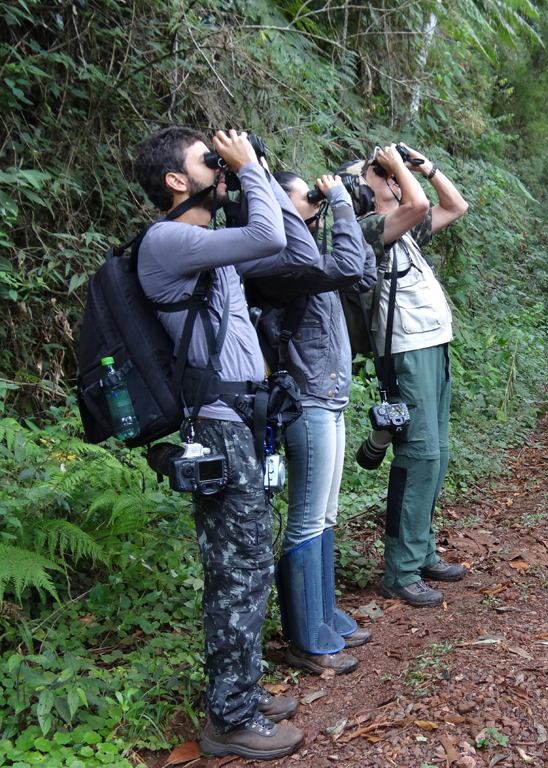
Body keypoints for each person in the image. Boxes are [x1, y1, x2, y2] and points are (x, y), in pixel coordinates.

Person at [134, 127, 317, 760]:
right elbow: (268, 234)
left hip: (240, 420)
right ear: (176, 182)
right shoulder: (168, 240)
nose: (223, 164)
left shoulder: (206, 245)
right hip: (215, 423)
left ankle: (241, 690)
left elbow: (294, 250)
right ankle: (229, 719)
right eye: (206, 160)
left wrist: (251, 176)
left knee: (247, 564)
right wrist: (249, 171)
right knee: (237, 570)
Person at [245, 171, 377, 674]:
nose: (317, 202)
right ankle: (305, 638)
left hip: (329, 396)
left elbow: (360, 274)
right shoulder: (279, 258)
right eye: (310, 196)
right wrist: (341, 199)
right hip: (305, 400)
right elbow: (345, 266)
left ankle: (322, 615)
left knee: (324, 515)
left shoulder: (307, 257)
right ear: (279, 202)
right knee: (304, 517)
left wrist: (349, 214)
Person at [337, 143, 468, 607]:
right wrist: (395, 169)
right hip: (405, 353)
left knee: (439, 454)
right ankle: (401, 569)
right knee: (419, 456)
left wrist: (425, 167)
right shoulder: (367, 229)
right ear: (360, 189)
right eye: (376, 172)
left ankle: (423, 550)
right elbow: (416, 205)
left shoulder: (407, 232)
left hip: (434, 345)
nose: (388, 175)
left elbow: (455, 206)